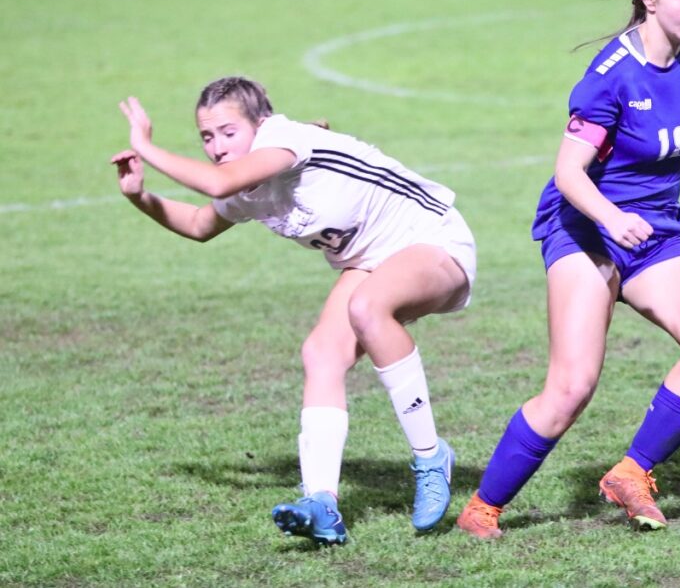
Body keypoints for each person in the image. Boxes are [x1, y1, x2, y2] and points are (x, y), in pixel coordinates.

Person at [455, 0, 680, 539]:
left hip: (653, 233)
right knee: (572, 386)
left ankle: (631, 473)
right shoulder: (610, 77)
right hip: (585, 231)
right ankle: (482, 510)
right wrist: (609, 217)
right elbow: (568, 174)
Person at [111, 76, 476, 545]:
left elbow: (216, 180)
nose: (218, 146)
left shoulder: (286, 139)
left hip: (433, 240)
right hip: (368, 263)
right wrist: (139, 196)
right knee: (321, 353)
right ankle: (322, 502)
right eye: (207, 137)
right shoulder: (247, 185)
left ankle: (430, 458)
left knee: (367, 307)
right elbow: (201, 224)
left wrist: (144, 144)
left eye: (228, 131)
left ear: (260, 124)